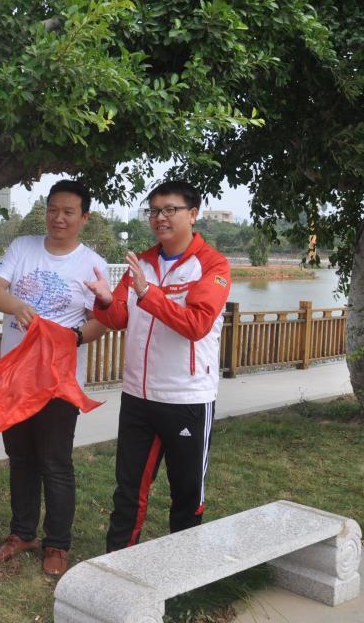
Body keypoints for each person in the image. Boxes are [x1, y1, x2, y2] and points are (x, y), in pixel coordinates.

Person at [85, 180, 231, 552]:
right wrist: (105, 300)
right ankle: (116, 564)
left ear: (192, 214)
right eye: (153, 211)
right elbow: (119, 318)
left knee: (186, 493)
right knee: (129, 489)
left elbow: (196, 324)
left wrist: (147, 292)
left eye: (170, 210)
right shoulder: (142, 263)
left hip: (187, 398)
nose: (160, 218)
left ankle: (182, 570)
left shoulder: (211, 265)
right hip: (138, 396)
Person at [0, 180, 109, 577]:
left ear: (84, 218)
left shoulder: (93, 264)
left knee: (55, 462)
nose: (59, 218)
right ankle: (22, 533)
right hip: (14, 379)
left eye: (69, 212)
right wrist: (17, 306)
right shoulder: (23, 247)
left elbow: (101, 320)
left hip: (58, 383)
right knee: (20, 459)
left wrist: (71, 338)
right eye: (53, 210)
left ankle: (57, 544)